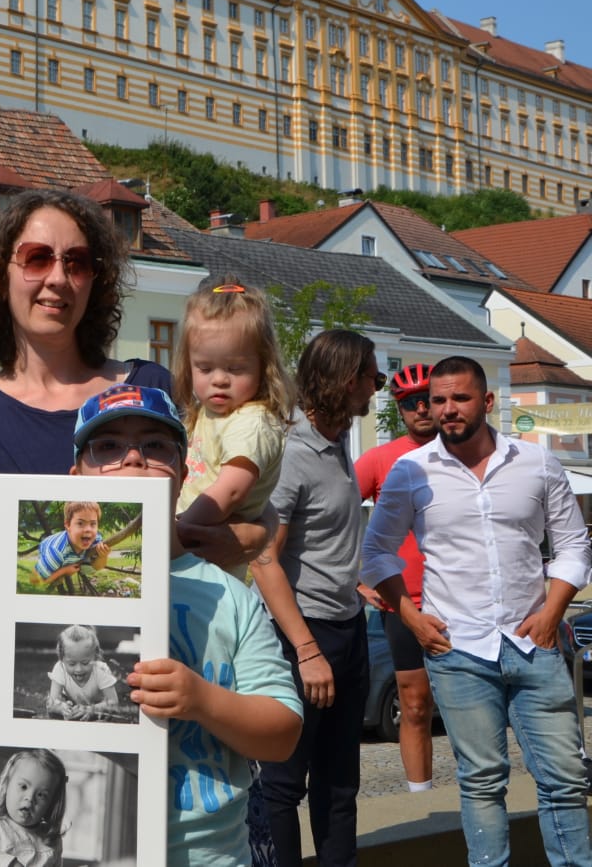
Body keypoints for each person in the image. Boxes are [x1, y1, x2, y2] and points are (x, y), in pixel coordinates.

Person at [0, 190, 269, 569]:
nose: (58, 278)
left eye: (77, 262)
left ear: (95, 281)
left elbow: (249, 491)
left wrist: (259, 534)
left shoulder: (154, 389)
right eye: (36, 258)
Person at [362, 356, 592, 867]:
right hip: (457, 648)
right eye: (437, 400)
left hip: (535, 644)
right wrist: (411, 615)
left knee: (565, 779)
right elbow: (376, 552)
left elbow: (574, 545)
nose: (446, 410)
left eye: (459, 399)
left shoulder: (537, 462)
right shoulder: (410, 471)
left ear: (487, 402)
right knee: (482, 783)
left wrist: (554, 610)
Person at [73, 383, 301, 866]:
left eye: (155, 446)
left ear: (182, 472)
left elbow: (282, 735)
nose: (133, 458)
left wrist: (202, 700)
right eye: (107, 447)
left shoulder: (230, 596)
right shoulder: (45, 589)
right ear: (76, 475)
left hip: (210, 856)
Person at [250, 330, 382, 867]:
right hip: (302, 636)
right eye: (374, 373)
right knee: (285, 784)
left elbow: (319, 541)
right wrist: (305, 650)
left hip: (347, 627)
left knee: (341, 785)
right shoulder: (292, 451)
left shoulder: (338, 439)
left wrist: (351, 580)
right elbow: (264, 558)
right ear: (349, 379)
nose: (381, 383)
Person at [170, 276, 293, 575]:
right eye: (205, 367)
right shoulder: (208, 414)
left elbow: (231, 492)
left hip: (210, 565)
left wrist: (176, 532)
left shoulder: (252, 421)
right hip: (193, 555)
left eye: (235, 368)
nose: (220, 379)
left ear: (264, 367)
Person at [353, 363, 438, 793]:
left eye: (428, 399)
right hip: (403, 603)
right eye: (410, 403)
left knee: (476, 704)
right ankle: (418, 797)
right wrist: (356, 581)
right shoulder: (381, 459)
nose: (421, 409)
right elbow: (330, 515)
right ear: (400, 410)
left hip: (462, 600)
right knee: (415, 704)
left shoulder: (466, 451)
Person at [0, 749, 67, 867]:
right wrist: (10, 864)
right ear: (6, 786)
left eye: (41, 795)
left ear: (52, 804)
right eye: (23, 787)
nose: (30, 798)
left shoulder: (51, 840)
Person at [47, 624, 132, 722]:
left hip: (97, 706)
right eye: (71, 664)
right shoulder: (60, 668)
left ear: (95, 657)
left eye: (85, 663)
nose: (78, 669)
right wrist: (62, 708)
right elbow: (51, 703)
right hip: (72, 705)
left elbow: (113, 703)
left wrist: (92, 709)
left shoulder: (100, 670)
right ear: (62, 658)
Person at [31, 500, 110, 592]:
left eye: (93, 524)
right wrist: (64, 571)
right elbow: (35, 580)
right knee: (52, 569)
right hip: (50, 553)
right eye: (80, 523)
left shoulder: (96, 539)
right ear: (68, 525)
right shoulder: (57, 552)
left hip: (72, 555)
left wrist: (103, 556)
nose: (88, 529)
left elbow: (98, 567)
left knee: (88, 568)